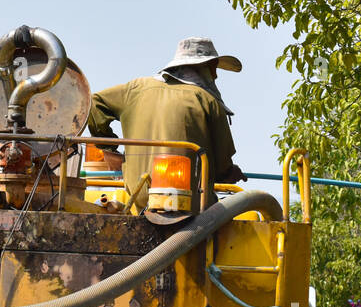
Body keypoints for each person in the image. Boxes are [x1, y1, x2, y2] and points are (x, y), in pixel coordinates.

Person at [87, 37, 245, 211]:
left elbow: (94, 103)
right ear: (204, 68)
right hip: (190, 205)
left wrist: (108, 148)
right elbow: (223, 167)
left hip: (139, 199)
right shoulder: (207, 101)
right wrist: (231, 173)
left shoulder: (135, 89)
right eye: (214, 68)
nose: (216, 75)